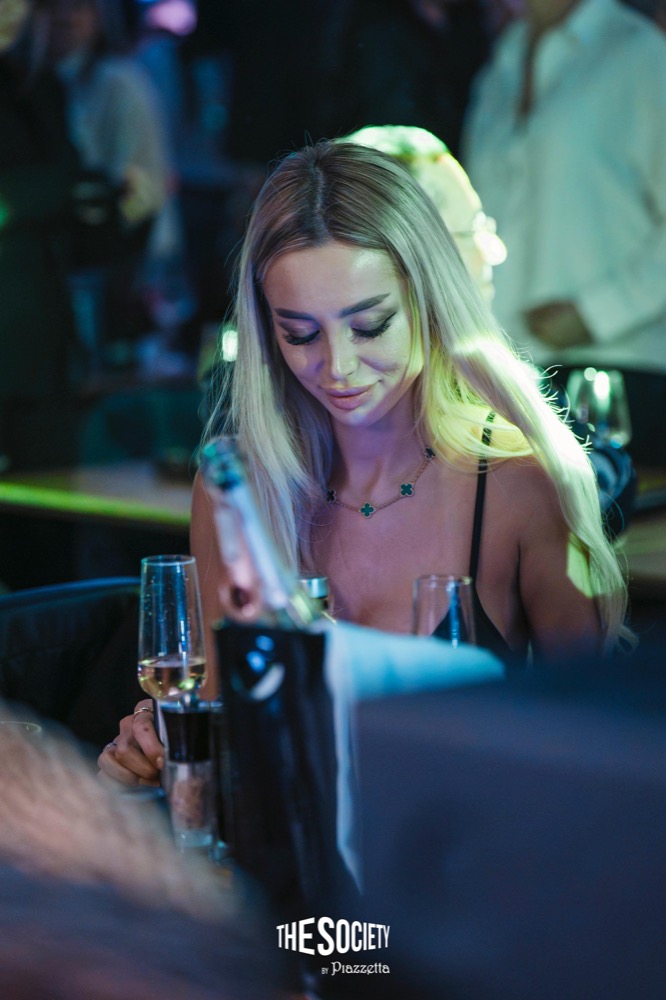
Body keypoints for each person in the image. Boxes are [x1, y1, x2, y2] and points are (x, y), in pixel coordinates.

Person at [99, 140, 629, 788]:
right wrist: (157, 746)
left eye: (370, 325)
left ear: (428, 300)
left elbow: (604, 741)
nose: (339, 366)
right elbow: (220, 740)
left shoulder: (518, 484)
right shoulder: (238, 491)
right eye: (300, 334)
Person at [462, 0, 666, 464]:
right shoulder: (499, 65)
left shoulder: (638, 51)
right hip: (513, 375)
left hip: (622, 370)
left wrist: (595, 311)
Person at [0, 0, 80, 470]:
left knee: (51, 489)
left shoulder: (40, 84)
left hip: (44, 343)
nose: (11, 8)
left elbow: (70, 184)